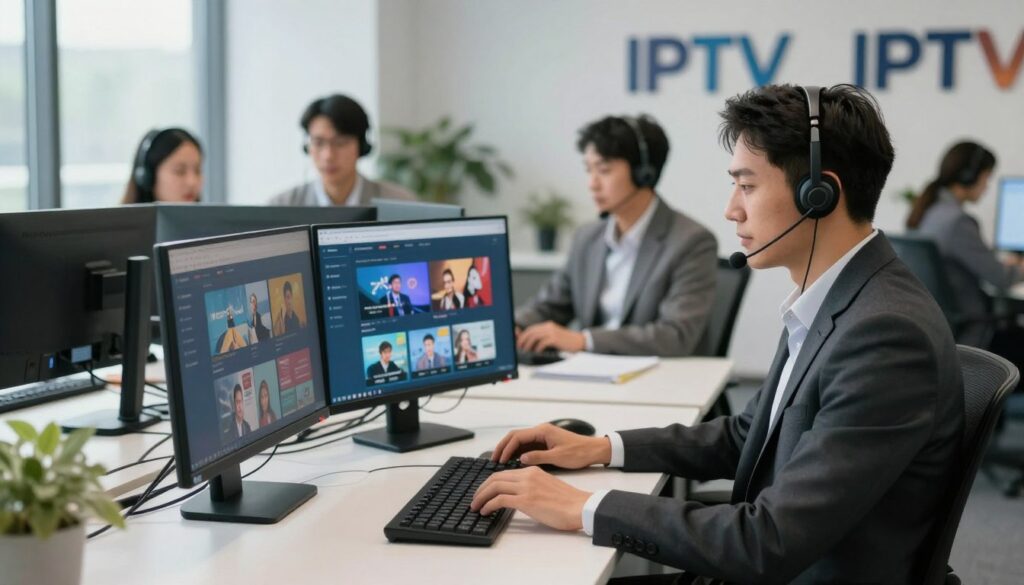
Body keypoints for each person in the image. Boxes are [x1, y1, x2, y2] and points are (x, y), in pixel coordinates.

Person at [471, 84, 965, 584]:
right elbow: (748, 433)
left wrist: (583, 507)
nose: (731, 209)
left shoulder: (884, 334)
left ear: (819, 194)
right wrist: (600, 448)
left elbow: (766, 542)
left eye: (747, 186)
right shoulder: (838, 297)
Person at [515, 114, 717, 357]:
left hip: (660, 382)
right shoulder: (587, 238)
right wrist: (514, 327)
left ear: (644, 173)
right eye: (589, 170)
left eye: (603, 170)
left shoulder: (691, 241)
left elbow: (675, 336)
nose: (592, 183)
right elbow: (549, 305)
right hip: (589, 377)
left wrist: (583, 340)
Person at [906, 141, 1024, 368]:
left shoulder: (930, 212)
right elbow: (1000, 278)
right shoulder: (958, 222)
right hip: (976, 336)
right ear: (970, 176)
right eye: (987, 178)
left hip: (945, 335)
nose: (987, 186)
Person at [268, 94, 416, 206]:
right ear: (307, 147)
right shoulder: (281, 205)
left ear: (361, 146)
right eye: (318, 143)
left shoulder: (400, 203)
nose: (328, 156)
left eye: (340, 143)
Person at [122, 127, 203, 203]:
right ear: (149, 177)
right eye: (180, 171)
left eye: (197, 171)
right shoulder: (119, 218)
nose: (192, 182)